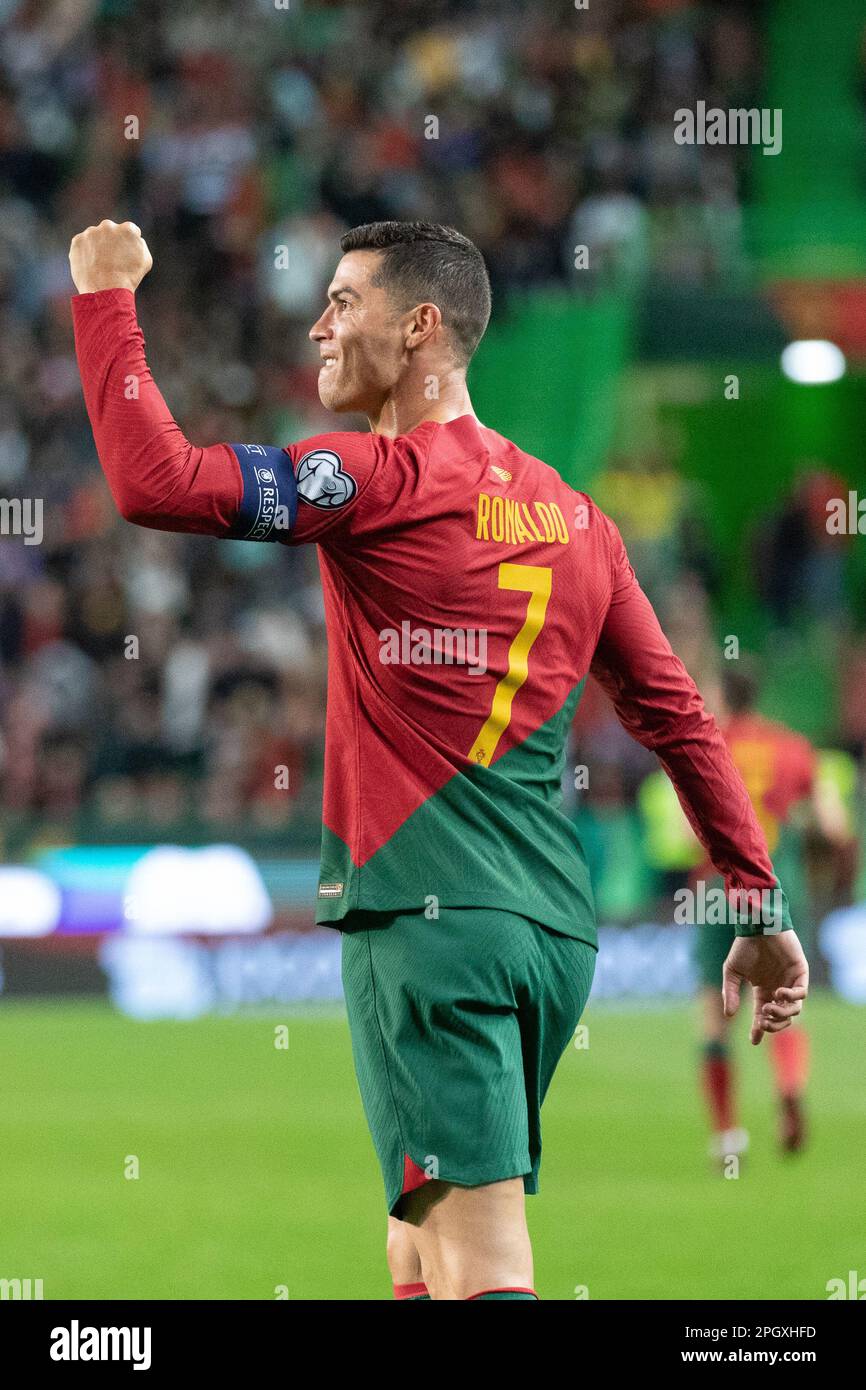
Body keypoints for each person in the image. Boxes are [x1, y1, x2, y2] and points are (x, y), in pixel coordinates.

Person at [69, 217, 808, 1301]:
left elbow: (156, 482)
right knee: (413, 1237)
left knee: (479, 1259)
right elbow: (677, 717)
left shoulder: (374, 477)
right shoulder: (574, 518)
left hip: (429, 920)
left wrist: (103, 299)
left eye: (342, 302)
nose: (317, 326)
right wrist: (757, 898)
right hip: (548, 931)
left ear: (419, 328)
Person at [694, 662, 849, 1163]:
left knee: (715, 1020)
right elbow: (834, 824)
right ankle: (788, 1087)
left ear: (723, 692)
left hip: (718, 889)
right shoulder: (793, 747)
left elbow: (683, 822)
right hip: (774, 887)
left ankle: (726, 1137)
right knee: (782, 997)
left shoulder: (707, 740)